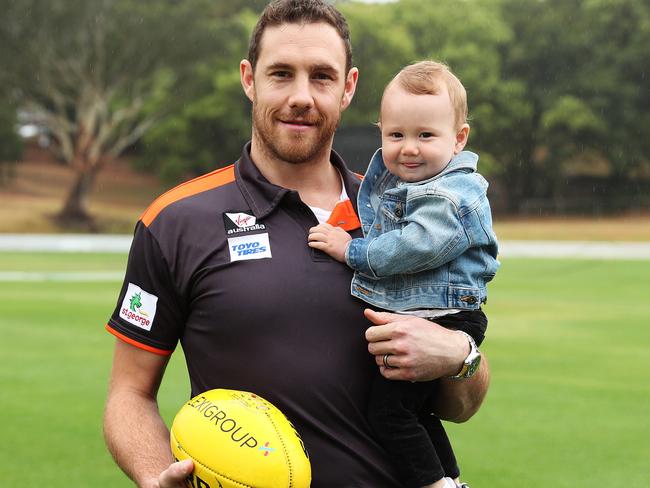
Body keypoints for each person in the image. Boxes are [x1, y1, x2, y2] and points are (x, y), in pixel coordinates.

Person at [102, 2, 490, 487]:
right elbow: (129, 395)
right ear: (249, 79)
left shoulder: (411, 219)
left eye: (322, 77)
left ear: (348, 87)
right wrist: (155, 475)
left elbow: (463, 406)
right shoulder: (176, 221)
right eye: (281, 74)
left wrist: (460, 356)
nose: (301, 97)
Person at [308, 60, 499, 488]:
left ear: (459, 138)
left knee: (390, 414)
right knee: (412, 412)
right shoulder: (401, 186)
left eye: (425, 135)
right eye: (396, 135)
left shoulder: (449, 193)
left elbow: (416, 247)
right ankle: (449, 479)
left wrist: (351, 250)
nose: (408, 148)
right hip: (426, 311)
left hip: (439, 315)